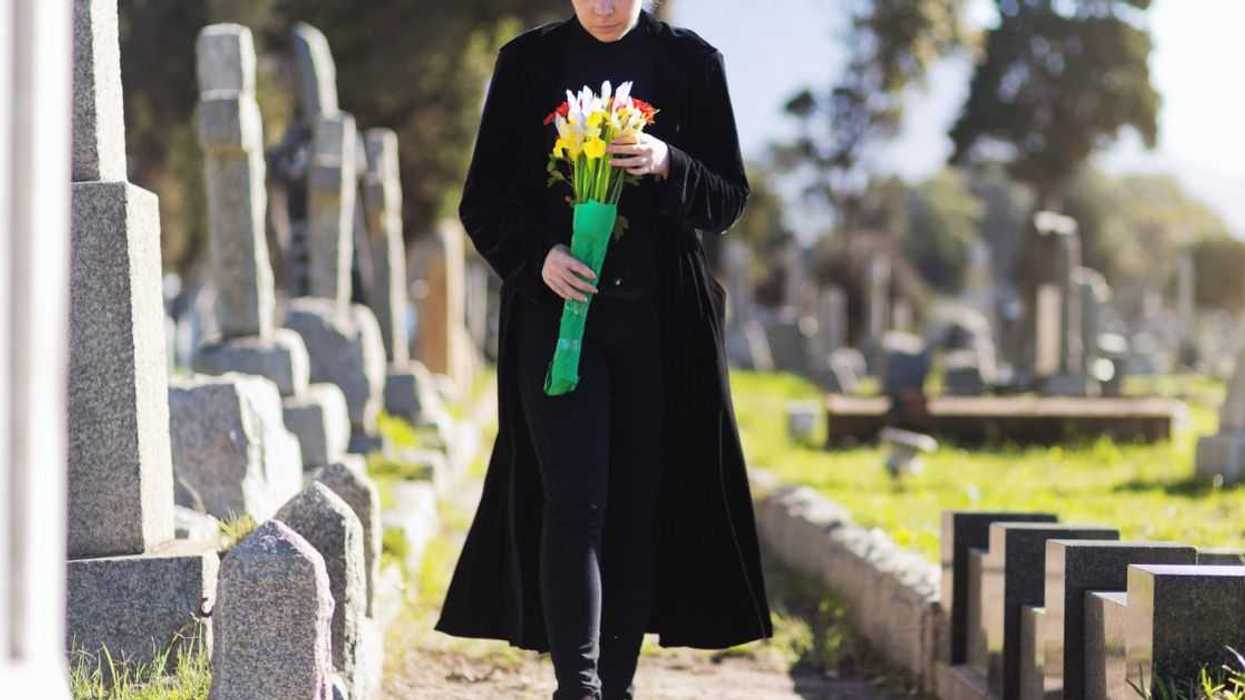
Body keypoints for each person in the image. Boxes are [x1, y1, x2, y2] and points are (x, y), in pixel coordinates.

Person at [435, 2, 774, 698]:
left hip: (661, 329)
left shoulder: (691, 63)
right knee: (573, 499)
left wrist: (667, 161)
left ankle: (612, 688)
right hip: (555, 324)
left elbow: (728, 199)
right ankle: (579, 688)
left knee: (634, 502)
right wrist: (539, 260)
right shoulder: (526, 64)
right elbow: (482, 202)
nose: (605, 3)